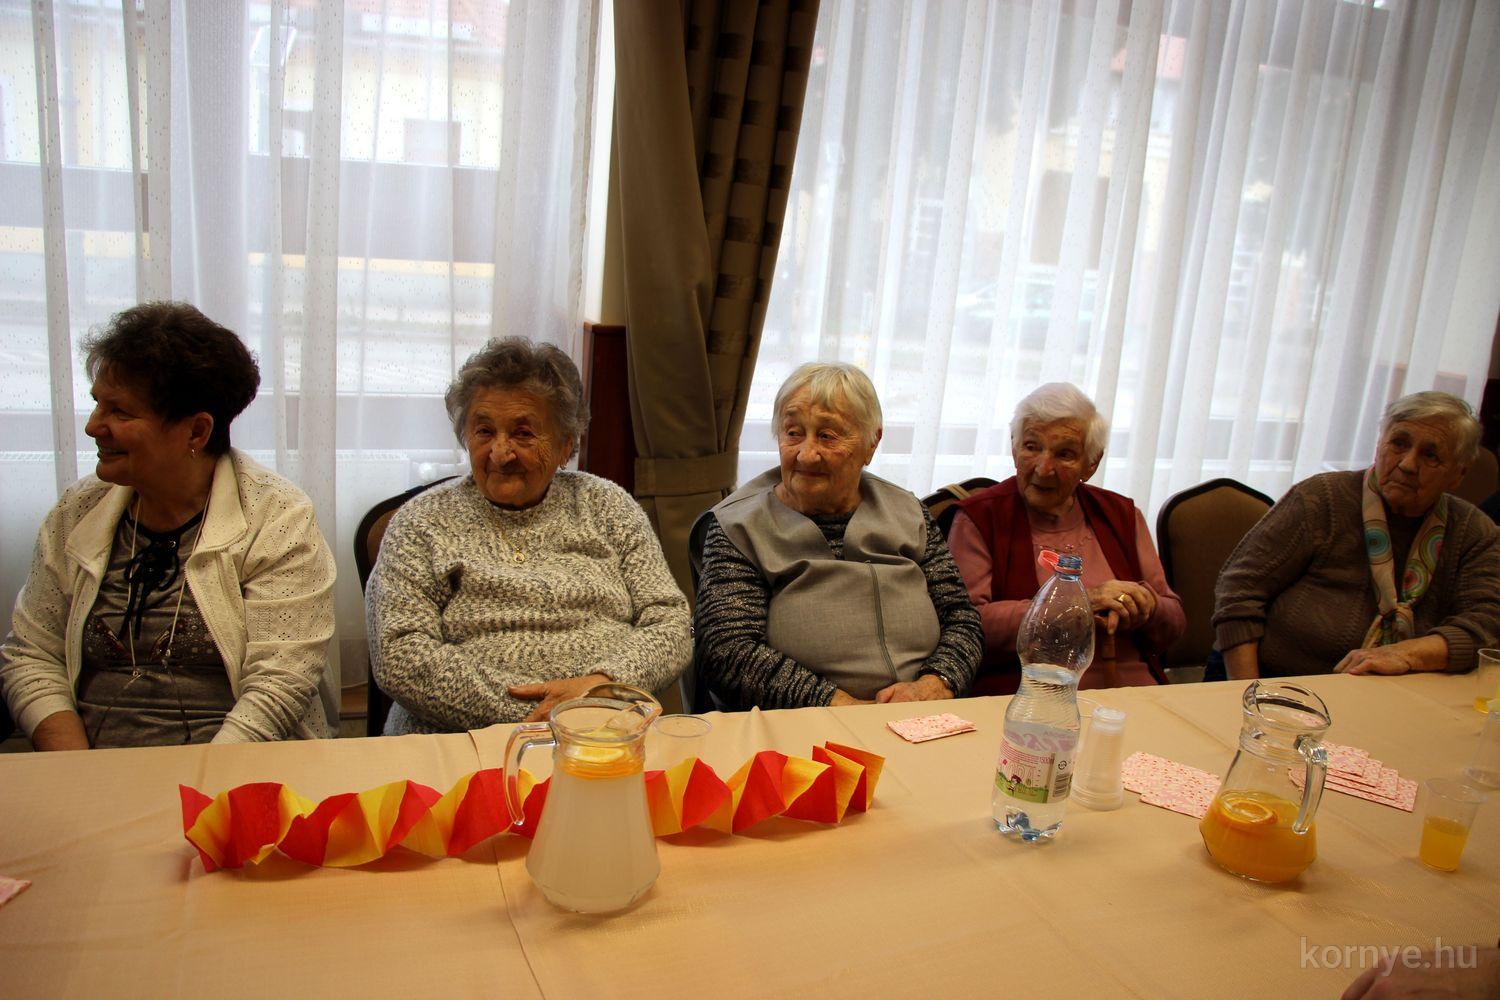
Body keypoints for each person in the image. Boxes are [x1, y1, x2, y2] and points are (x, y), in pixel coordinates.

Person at [0, 302, 339, 749]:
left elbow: (279, 684)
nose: (93, 426)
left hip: (232, 765)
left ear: (196, 432)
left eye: (120, 412)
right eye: (97, 404)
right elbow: (32, 654)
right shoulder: (77, 511)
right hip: (87, 761)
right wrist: (75, 766)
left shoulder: (277, 517)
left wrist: (197, 782)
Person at [366, 337, 690, 734]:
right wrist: (554, 716)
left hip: (607, 734)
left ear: (566, 445)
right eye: (484, 431)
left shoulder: (607, 506)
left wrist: (601, 687)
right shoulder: (422, 522)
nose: (500, 453)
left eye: (523, 434)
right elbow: (400, 655)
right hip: (459, 738)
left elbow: (670, 623)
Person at [695, 362, 982, 709]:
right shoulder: (739, 526)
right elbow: (727, 651)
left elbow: (961, 617)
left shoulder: (908, 513)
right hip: (804, 723)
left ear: (871, 443)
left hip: (923, 714)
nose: (806, 454)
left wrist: (935, 683)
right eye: (793, 433)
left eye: (827, 436)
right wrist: (837, 704)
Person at [1214, 391, 1500, 679]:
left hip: (1405, 688)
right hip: (1277, 679)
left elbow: (1488, 624)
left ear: (1458, 475)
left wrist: (1407, 654)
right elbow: (1240, 591)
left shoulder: (1473, 532)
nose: (1407, 464)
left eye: (1430, 455)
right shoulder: (1321, 499)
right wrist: (1249, 692)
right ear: (1379, 445)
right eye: (1399, 443)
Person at [949, 383, 1185, 693]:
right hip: (1029, 695)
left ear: (1092, 463)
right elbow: (967, 624)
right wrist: (1079, 603)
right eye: (1032, 447)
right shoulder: (981, 518)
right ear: (1014, 449)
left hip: (1132, 691)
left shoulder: (1121, 514)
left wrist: (1145, 605)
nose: (1044, 468)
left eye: (1065, 454)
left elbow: (1174, 623)